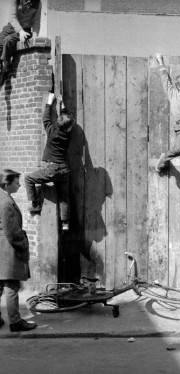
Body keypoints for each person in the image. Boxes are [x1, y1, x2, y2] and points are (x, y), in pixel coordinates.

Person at [25, 93, 75, 231]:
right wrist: (62, 104)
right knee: (64, 197)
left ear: (58, 123)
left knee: (28, 178)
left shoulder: (52, 131)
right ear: (69, 128)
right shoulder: (68, 135)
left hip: (51, 169)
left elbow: (46, 118)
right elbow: (66, 121)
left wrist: (49, 102)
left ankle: (35, 204)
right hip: (64, 170)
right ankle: (65, 223)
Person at [0, 169, 37, 332]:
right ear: (6, 184)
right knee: (12, 285)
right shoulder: (7, 203)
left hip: (1, 246)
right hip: (8, 248)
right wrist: (23, 244)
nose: (20, 185)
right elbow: (12, 232)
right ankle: (15, 322)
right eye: (16, 182)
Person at [0, 0, 42, 73]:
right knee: (0, 42)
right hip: (11, 27)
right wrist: (20, 30)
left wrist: (34, 37)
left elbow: (36, 22)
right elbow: (12, 17)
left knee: (8, 40)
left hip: (25, 30)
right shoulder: (15, 0)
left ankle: (5, 66)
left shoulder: (38, 3)